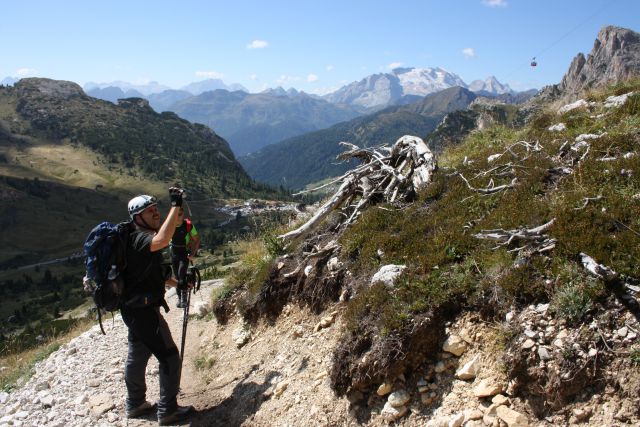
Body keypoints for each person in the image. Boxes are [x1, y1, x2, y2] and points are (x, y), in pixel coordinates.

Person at [121, 188, 194, 425]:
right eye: (149, 211)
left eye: (155, 210)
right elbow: (163, 240)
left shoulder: (136, 238)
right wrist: (175, 204)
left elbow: (156, 274)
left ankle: (135, 403)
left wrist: (178, 283)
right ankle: (168, 410)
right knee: (170, 357)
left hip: (134, 309)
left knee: (138, 352)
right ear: (137, 217)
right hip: (143, 311)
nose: (155, 214)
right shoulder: (140, 238)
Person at [170, 207, 201, 308]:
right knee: (177, 277)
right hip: (174, 253)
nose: (179, 215)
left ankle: (183, 298)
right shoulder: (169, 225)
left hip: (184, 253)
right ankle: (180, 298)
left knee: (181, 274)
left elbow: (196, 239)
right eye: (177, 213)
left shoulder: (188, 225)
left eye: (181, 213)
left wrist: (192, 253)